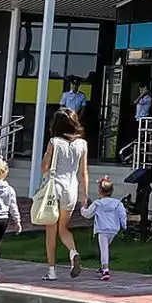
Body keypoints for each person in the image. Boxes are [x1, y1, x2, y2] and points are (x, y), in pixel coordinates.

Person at [36, 108, 90, 281]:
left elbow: (44, 167)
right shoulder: (82, 144)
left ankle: (51, 271)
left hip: (55, 188)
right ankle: (73, 252)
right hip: (71, 189)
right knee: (63, 228)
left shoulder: (54, 142)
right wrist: (85, 195)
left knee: (51, 230)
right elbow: (84, 172)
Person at [80, 176, 127, 282]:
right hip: (113, 229)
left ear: (99, 191)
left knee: (104, 249)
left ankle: (105, 270)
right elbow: (122, 215)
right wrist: (124, 225)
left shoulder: (98, 203)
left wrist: (83, 209)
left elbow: (88, 214)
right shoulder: (118, 203)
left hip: (102, 229)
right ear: (112, 191)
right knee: (106, 247)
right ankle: (103, 266)